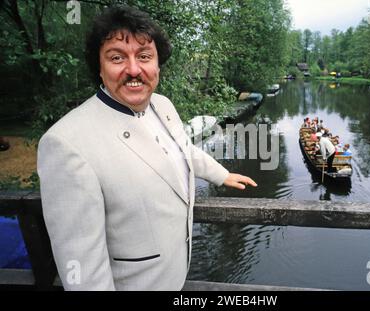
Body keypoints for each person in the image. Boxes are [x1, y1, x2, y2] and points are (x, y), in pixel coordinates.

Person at [37, 5, 257, 291]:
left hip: (176, 275)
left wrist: (220, 174)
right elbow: (82, 268)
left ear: (157, 64)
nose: (133, 69)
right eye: (117, 57)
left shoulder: (162, 105)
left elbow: (183, 148)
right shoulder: (65, 143)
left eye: (144, 56)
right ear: (99, 68)